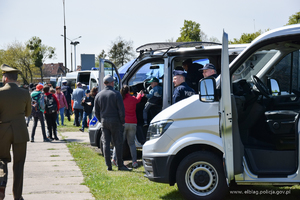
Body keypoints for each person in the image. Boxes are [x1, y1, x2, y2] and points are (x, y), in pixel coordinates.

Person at [0, 64, 31, 200]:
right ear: (15, 79)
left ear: (5, 78)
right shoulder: (25, 93)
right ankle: (17, 196)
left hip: (3, 131)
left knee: (1, 160)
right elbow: (28, 112)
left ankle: (1, 187)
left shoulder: (0, 92)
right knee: (19, 163)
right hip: (20, 130)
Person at [94, 75, 131, 171]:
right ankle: (120, 164)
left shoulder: (99, 95)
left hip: (104, 121)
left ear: (103, 83)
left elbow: (96, 111)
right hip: (115, 121)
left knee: (106, 143)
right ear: (112, 83)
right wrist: (122, 121)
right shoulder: (116, 94)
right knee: (118, 143)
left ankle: (108, 165)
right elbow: (121, 110)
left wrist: (101, 119)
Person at [112, 85, 144, 168]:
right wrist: (140, 94)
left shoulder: (120, 99)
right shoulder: (133, 99)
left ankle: (114, 159)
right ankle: (134, 162)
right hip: (133, 123)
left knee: (119, 142)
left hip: (123, 123)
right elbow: (138, 99)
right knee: (132, 143)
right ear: (129, 91)